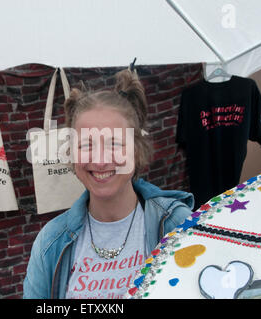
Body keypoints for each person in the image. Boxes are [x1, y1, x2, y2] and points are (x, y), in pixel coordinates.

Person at [23, 69, 194, 299]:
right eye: (86, 145)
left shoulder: (176, 223)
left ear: (136, 148)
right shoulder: (50, 241)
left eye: (114, 143)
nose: (101, 160)